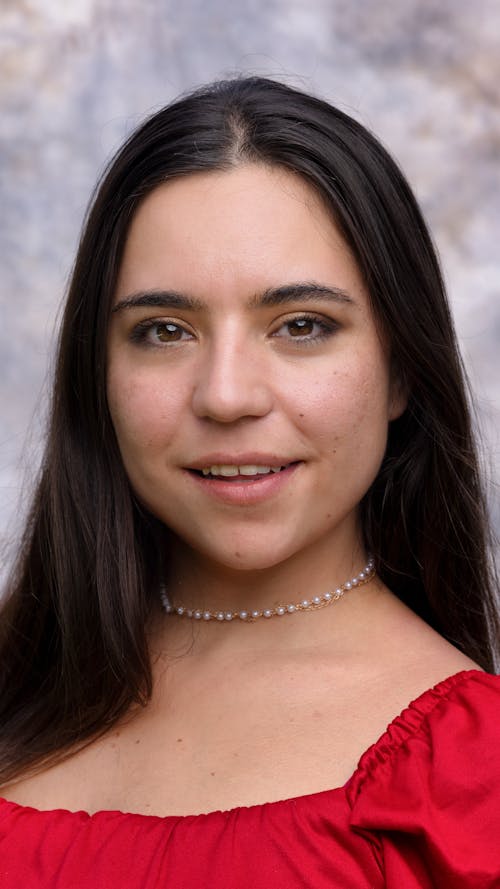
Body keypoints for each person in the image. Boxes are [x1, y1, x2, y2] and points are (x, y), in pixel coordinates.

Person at [0, 76, 499, 888]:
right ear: (99, 370)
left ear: (403, 366)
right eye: (163, 330)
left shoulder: (475, 778)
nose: (226, 395)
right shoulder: (20, 675)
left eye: (302, 326)